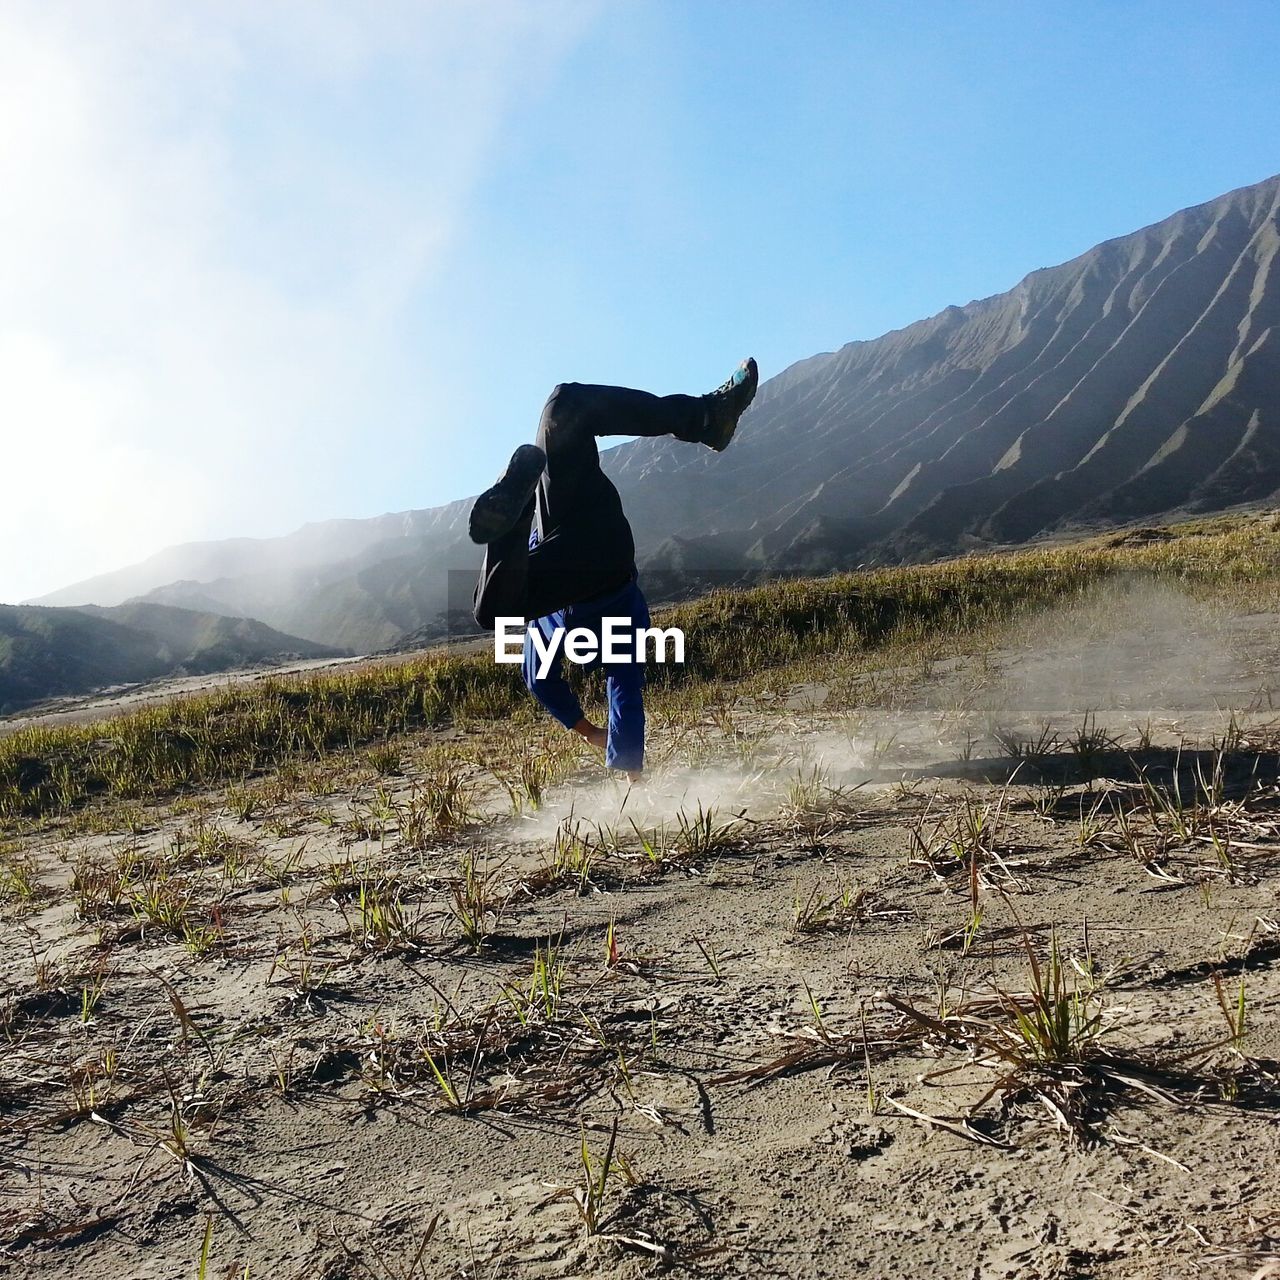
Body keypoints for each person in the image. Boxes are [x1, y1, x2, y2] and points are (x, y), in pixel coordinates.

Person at [469, 358, 759, 778]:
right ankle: (706, 418)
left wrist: (590, 733)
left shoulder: (544, 632)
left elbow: (540, 680)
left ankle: (709, 418)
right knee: (563, 405)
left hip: (561, 539)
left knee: (492, 611)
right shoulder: (618, 626)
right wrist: (624, 766)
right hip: (599, 551)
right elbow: (621, 689)